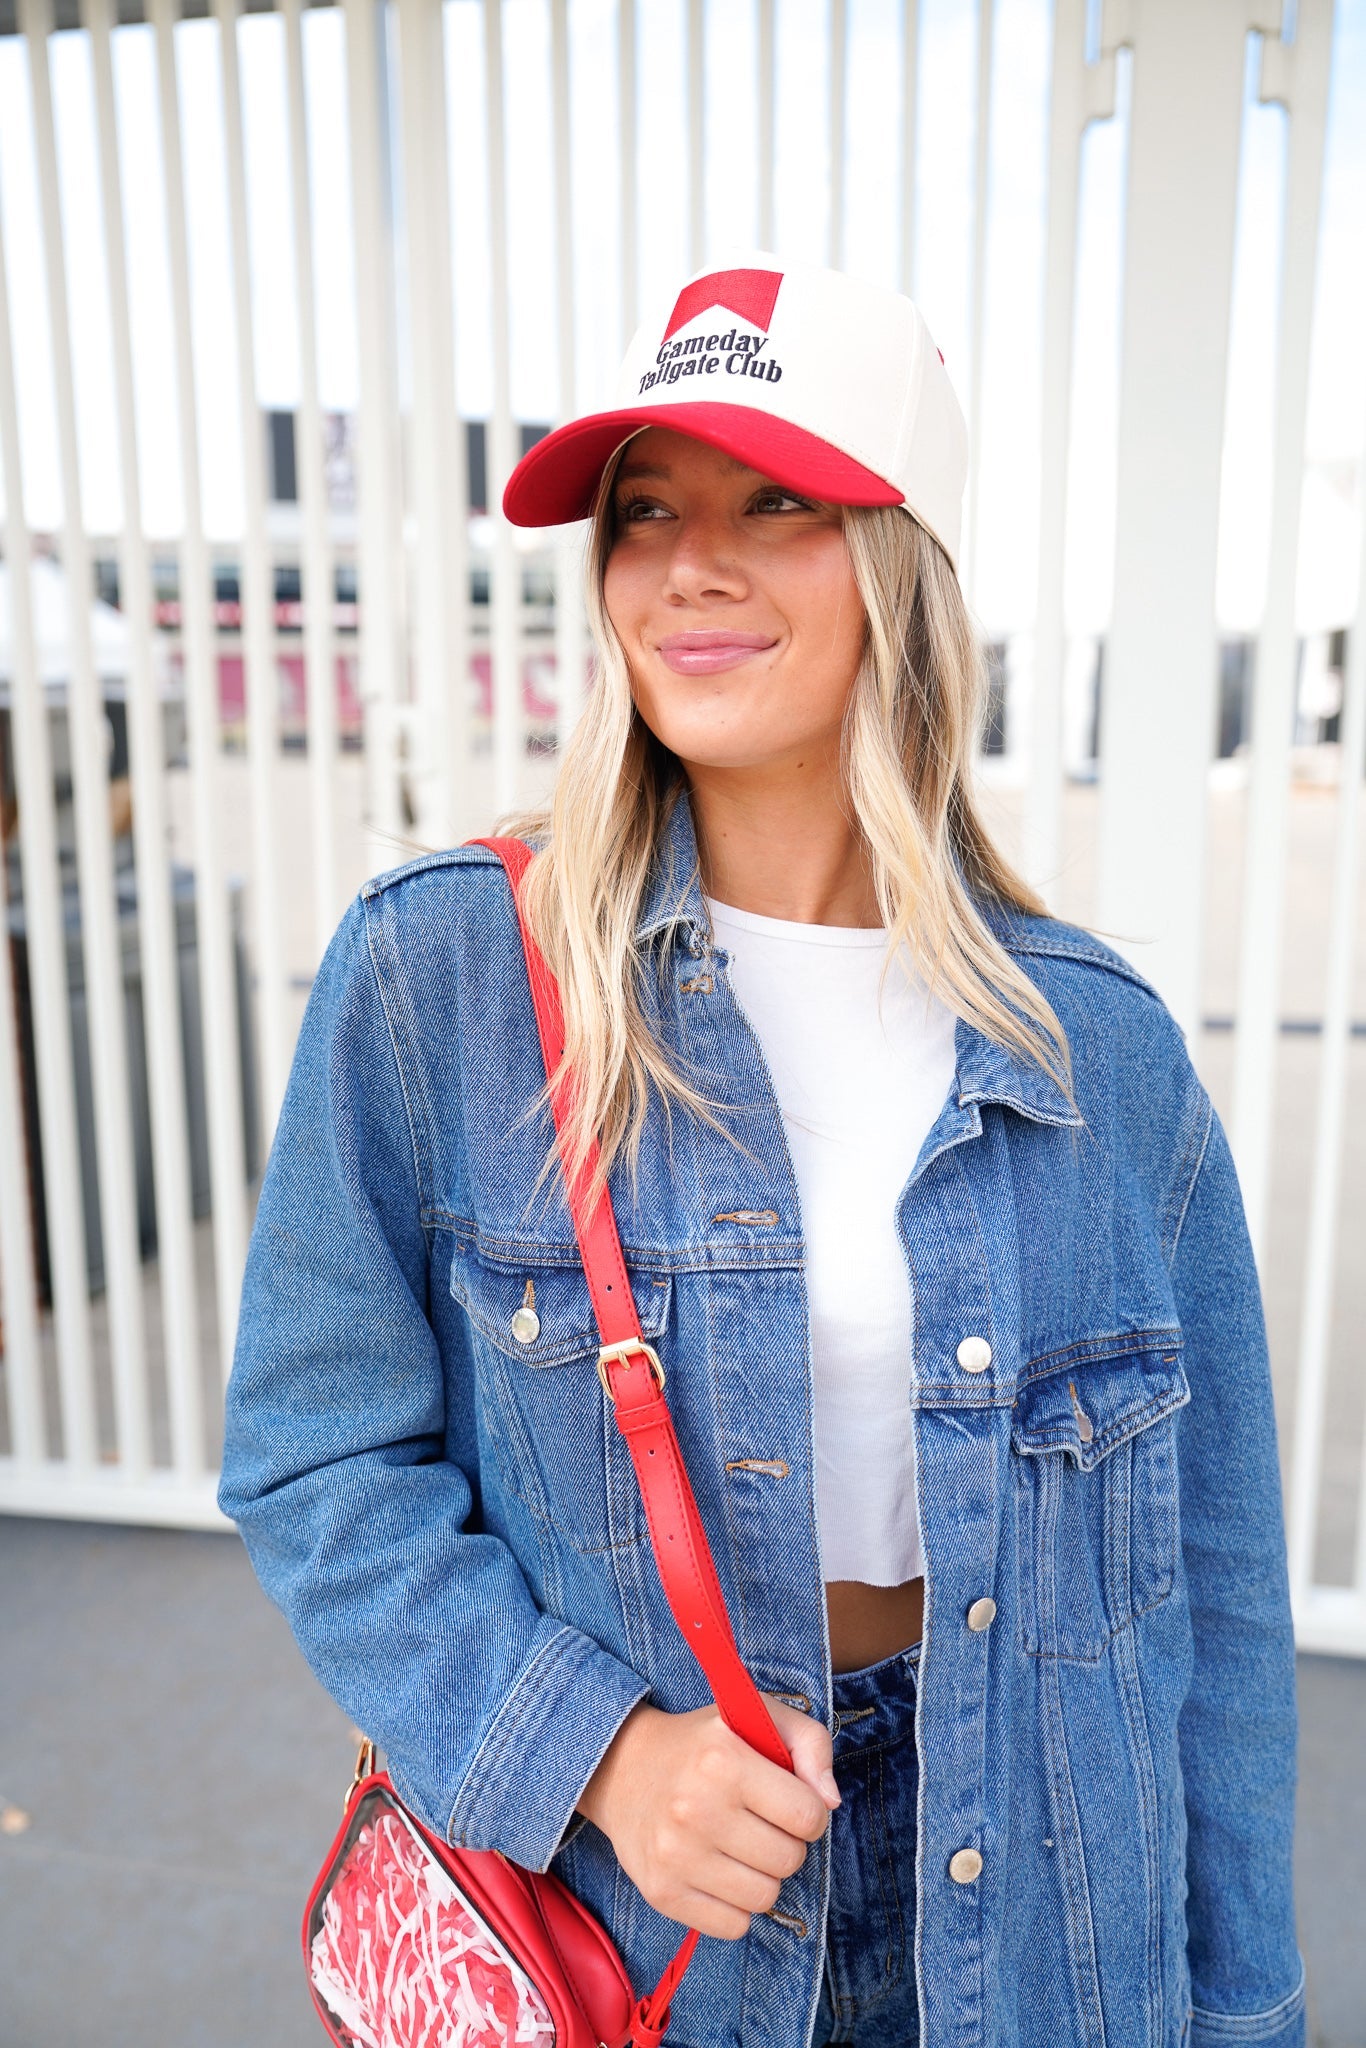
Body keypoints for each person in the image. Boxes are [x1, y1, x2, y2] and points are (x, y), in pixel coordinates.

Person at [219, 253, 1304, 2048]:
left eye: (775, 503)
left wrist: (1244, 2009)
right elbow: (316, 1459)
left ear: (905, 569)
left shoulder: (1093, 1050)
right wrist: (597, 1759)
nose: (688, 566)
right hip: (660, 1910)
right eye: (646, 512)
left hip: (1035, 1896)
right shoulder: (446, 976)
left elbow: (1215, 1612)